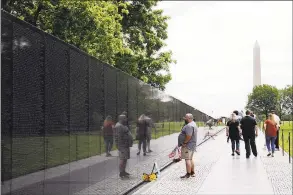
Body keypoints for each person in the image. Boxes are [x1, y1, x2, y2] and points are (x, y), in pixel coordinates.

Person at [180, 113, 198, 178]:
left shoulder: (189, 126)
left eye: (186, 118)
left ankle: (188, 174)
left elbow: (188, 136)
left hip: (188, 145)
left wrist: (184, 143)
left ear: (189, 118)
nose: (185, 119)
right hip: (192, 144)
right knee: (190, 159)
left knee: (187, 159)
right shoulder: (194, 124)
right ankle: (192, 172)